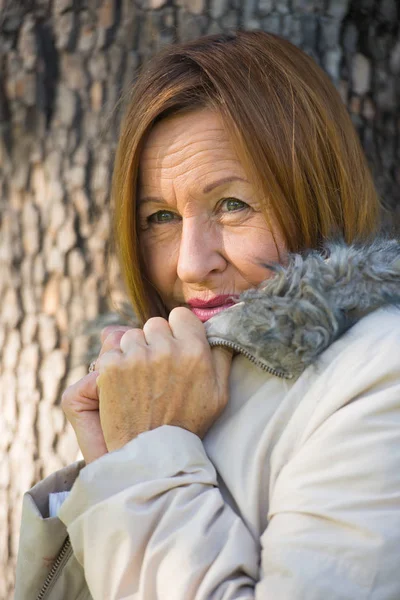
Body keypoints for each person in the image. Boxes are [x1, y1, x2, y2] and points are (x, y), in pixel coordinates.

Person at [15, 30, 400, 600]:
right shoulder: (161, 379)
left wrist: (143, 461)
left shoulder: (378, 375)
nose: (193, 265)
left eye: (232, 205)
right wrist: (113, 464)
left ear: (316, 195)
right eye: (162, 216)